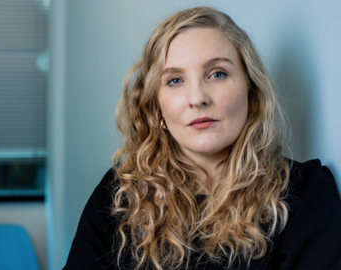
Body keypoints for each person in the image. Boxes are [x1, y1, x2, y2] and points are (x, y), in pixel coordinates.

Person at [63, 6, 341, 270]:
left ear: (251, 90)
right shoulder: (119, 196)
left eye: (217, 74)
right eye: (174, 80)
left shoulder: (304, 194)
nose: (197, 98)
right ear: (156, 105)